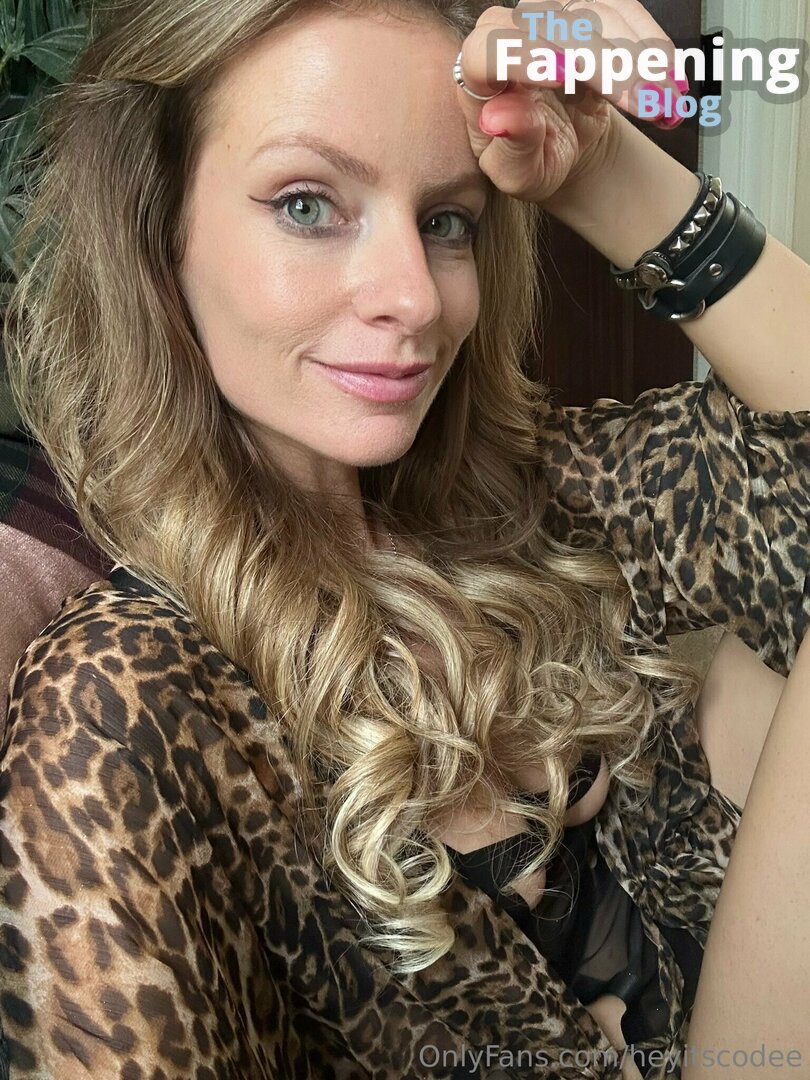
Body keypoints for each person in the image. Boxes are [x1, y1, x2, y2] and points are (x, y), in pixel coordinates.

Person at [1, 0, 809, 1076]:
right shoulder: (119, 704)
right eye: (307, 205)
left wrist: (606, 172)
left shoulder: (532, 502)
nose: (415, 298)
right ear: (158, 230)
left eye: (447, 221)